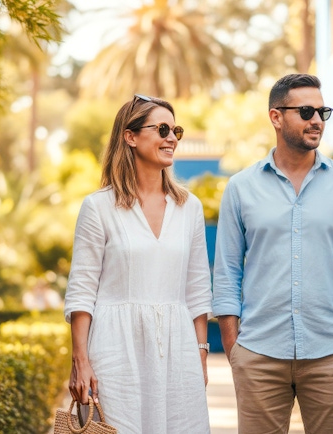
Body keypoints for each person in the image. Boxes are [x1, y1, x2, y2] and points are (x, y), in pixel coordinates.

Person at [212, 73, 333, 434]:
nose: (317, 120)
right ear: (276, 117)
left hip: (331, 354)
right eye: (306, 111)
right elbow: (226, 272)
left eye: (323, 111)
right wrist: (234, 348)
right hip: (258, 354)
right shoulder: (241, 188)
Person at [64, 94, 213, 433]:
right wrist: (80, 361)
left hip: (179, 350)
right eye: (162, 129)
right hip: (115, 351)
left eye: (176, 130)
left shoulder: (189, 207)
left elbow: (198, 286)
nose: (171, 138)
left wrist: (200, 354)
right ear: (130, 137)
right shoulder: (98, 207)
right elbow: (81, 290)